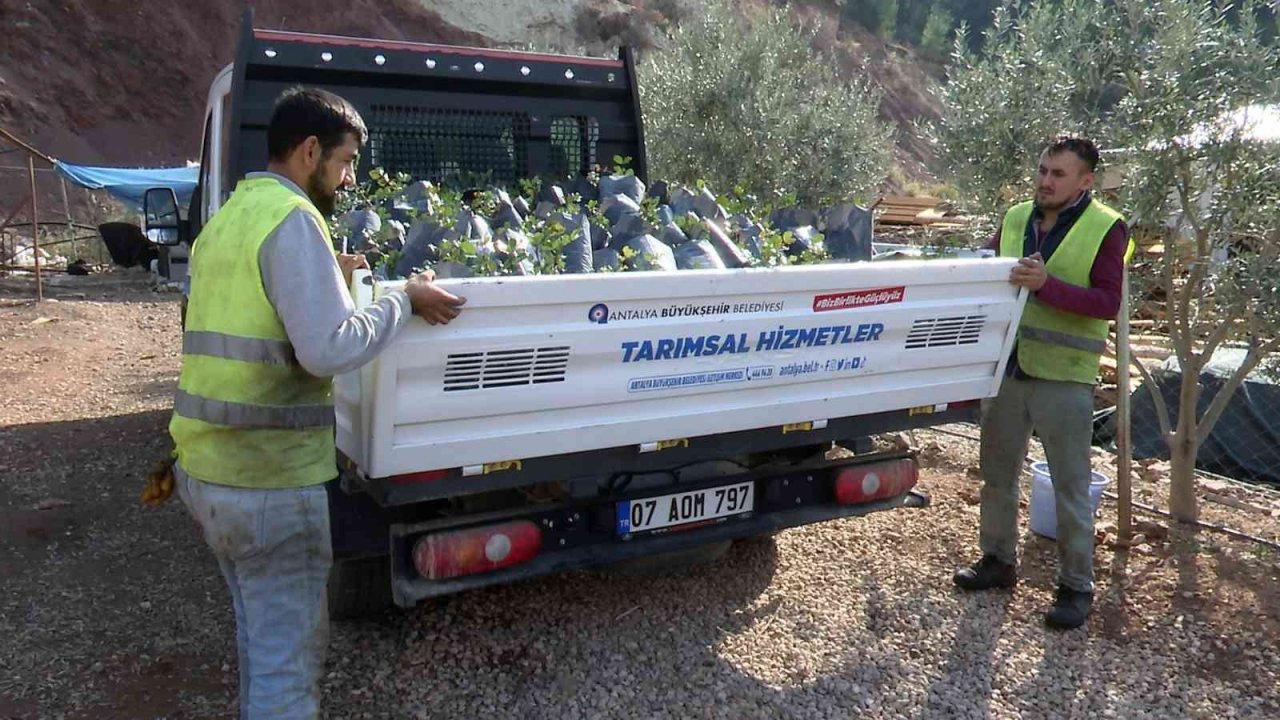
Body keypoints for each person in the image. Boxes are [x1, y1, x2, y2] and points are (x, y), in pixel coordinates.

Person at [168, 87, 465, 719]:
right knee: (287, 663)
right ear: (309, 152)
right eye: (346, 160)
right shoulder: (295, 220)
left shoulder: (231, 216)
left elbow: (254, 304)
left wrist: (326, 269)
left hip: (207, 468)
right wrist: (403, 300)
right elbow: (328, 351)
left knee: (259, 635)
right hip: (269, 480)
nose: (351, 176)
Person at [953, 136, 1133, 630]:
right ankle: (997, 560)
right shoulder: (1015, 218)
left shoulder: (1106, 228)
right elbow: (988, 274)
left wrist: (1046, 286)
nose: (1046, 180)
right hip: (1007, 371)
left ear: (1085, 181)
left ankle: (1076, 587)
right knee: (997, 474)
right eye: (1043, 170)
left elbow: (1106, 303)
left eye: (1058, 174)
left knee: (1071, 488)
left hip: (1064, 378)